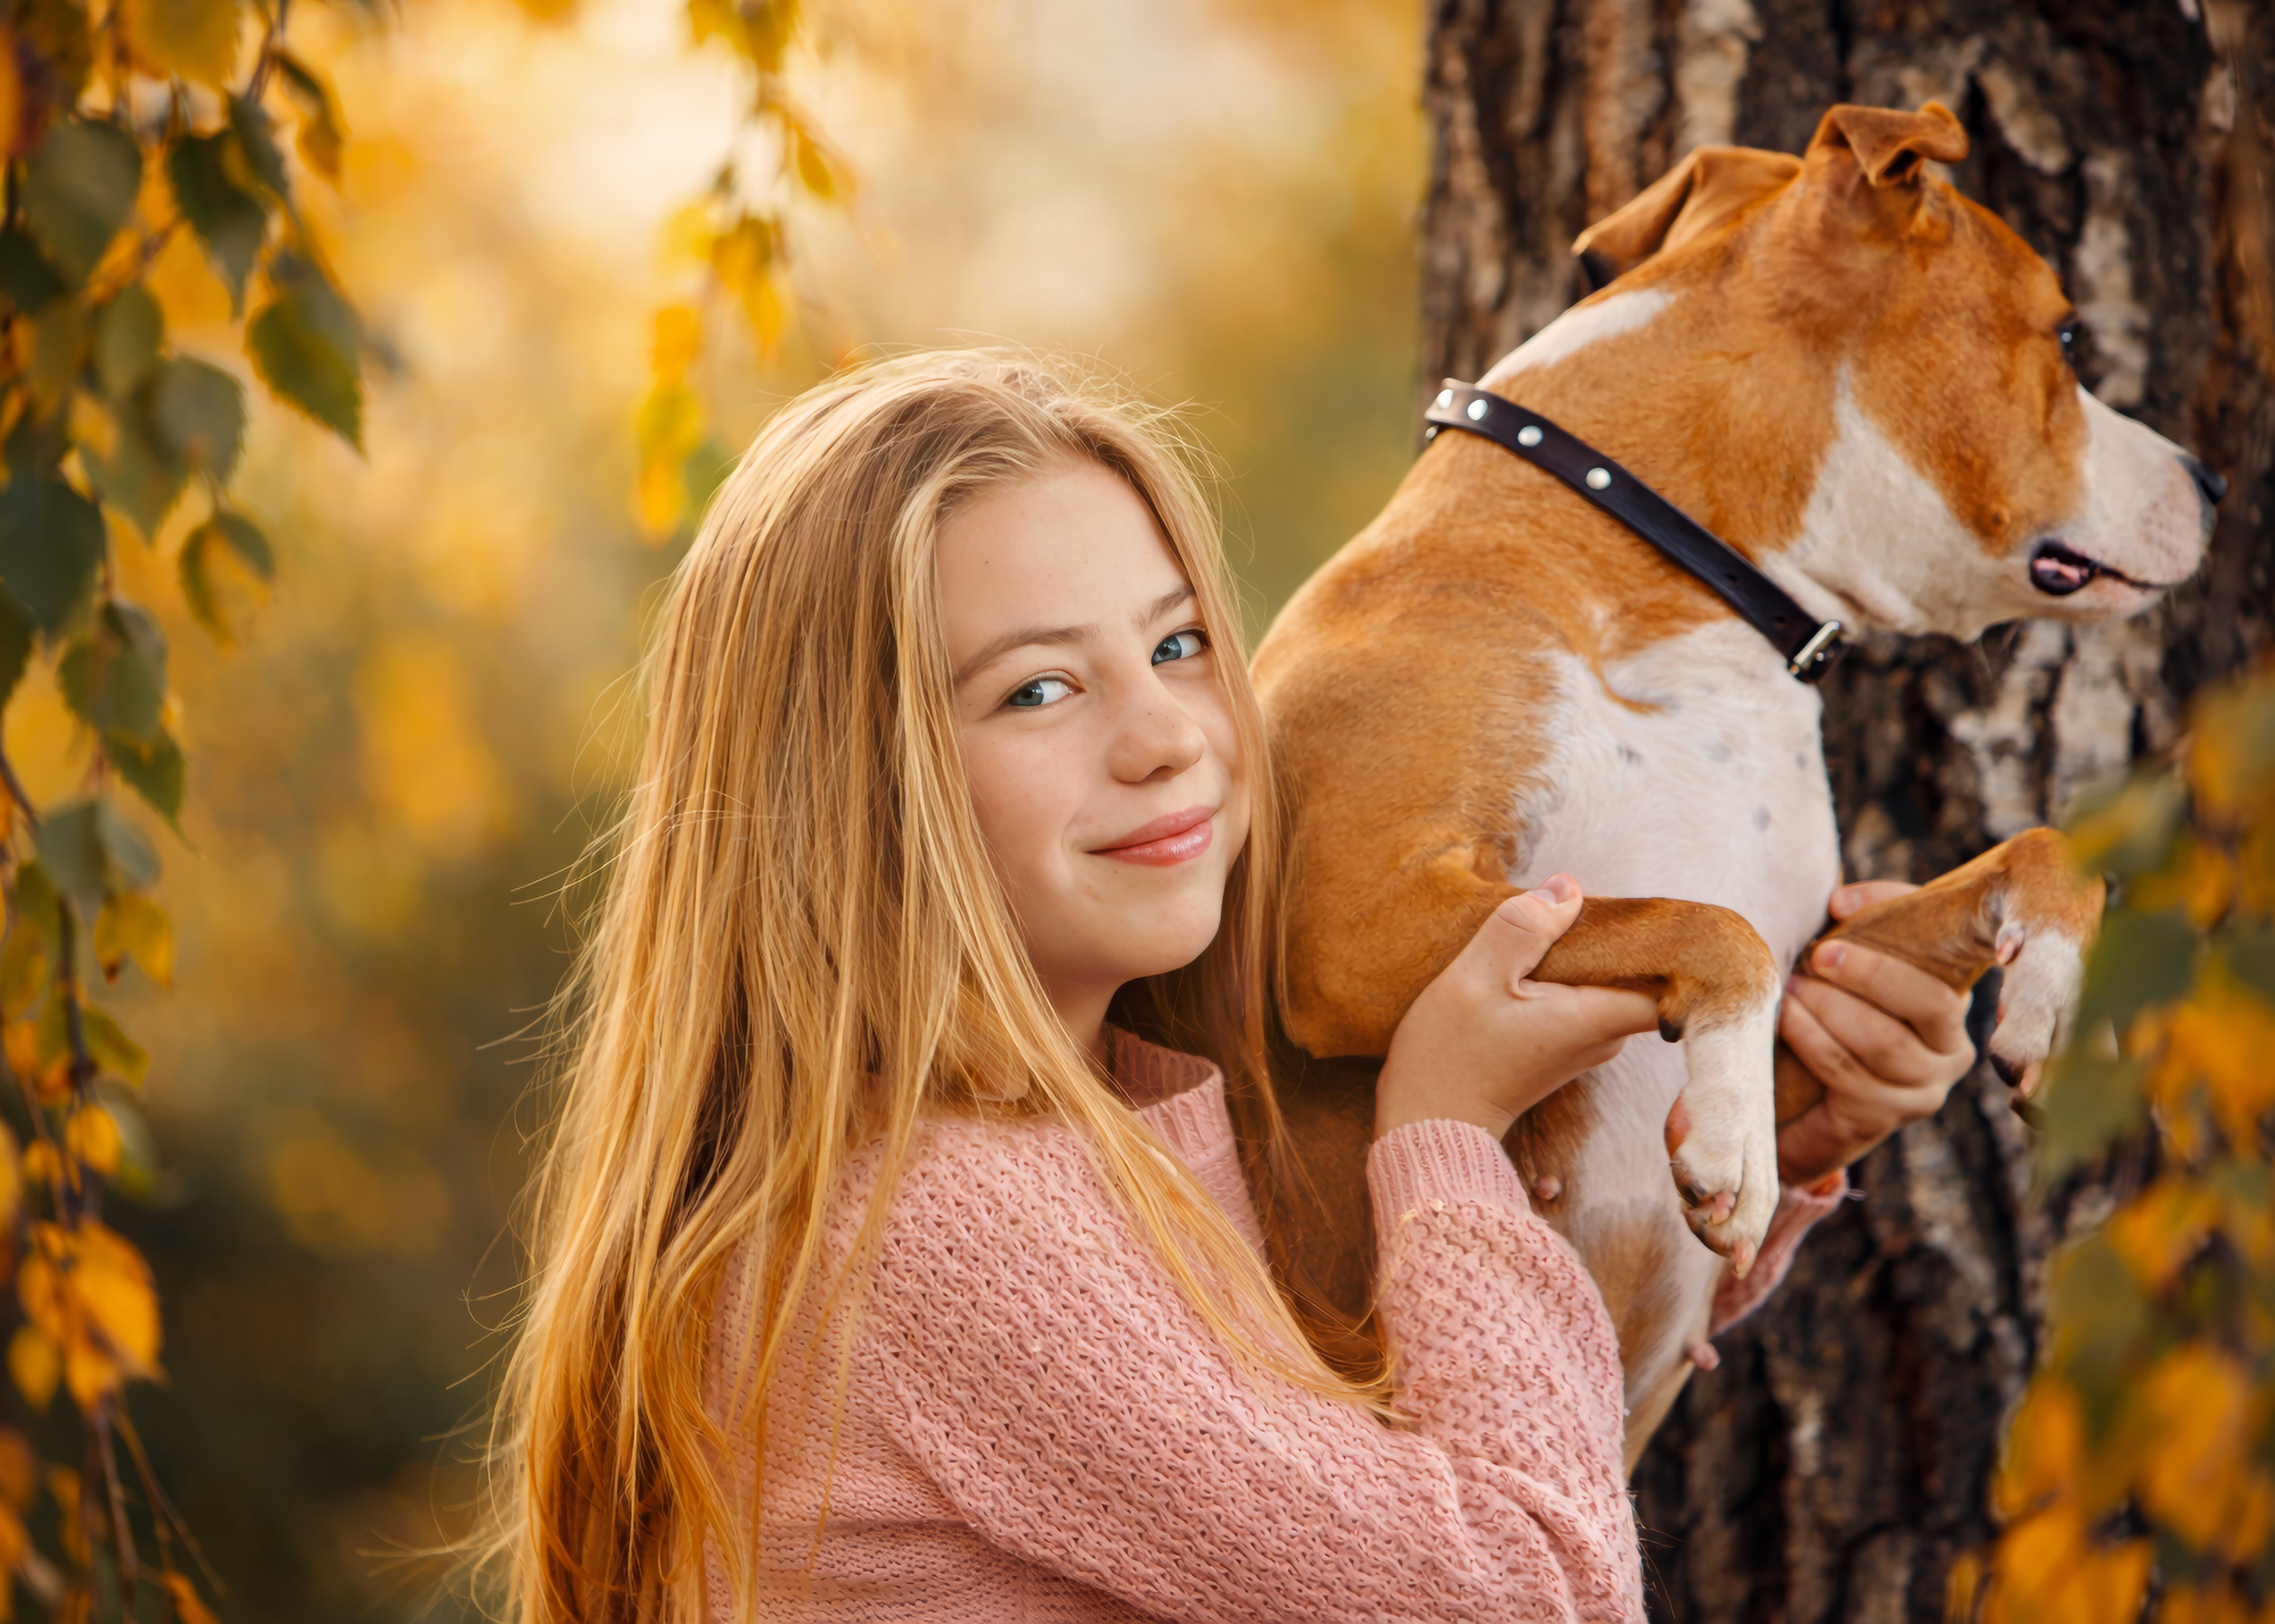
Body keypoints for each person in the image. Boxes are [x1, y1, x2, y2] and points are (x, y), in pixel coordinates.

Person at [479, 353, 1976, 1622]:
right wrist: (1443, 1136)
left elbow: (1443, 1441)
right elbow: (1531, 1582)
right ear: (848, 789)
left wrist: (1779, 1135)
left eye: (1181, 643)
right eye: (1039, 689)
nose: (1169, 737)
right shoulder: (937, 1228)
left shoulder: (1120, 1131)